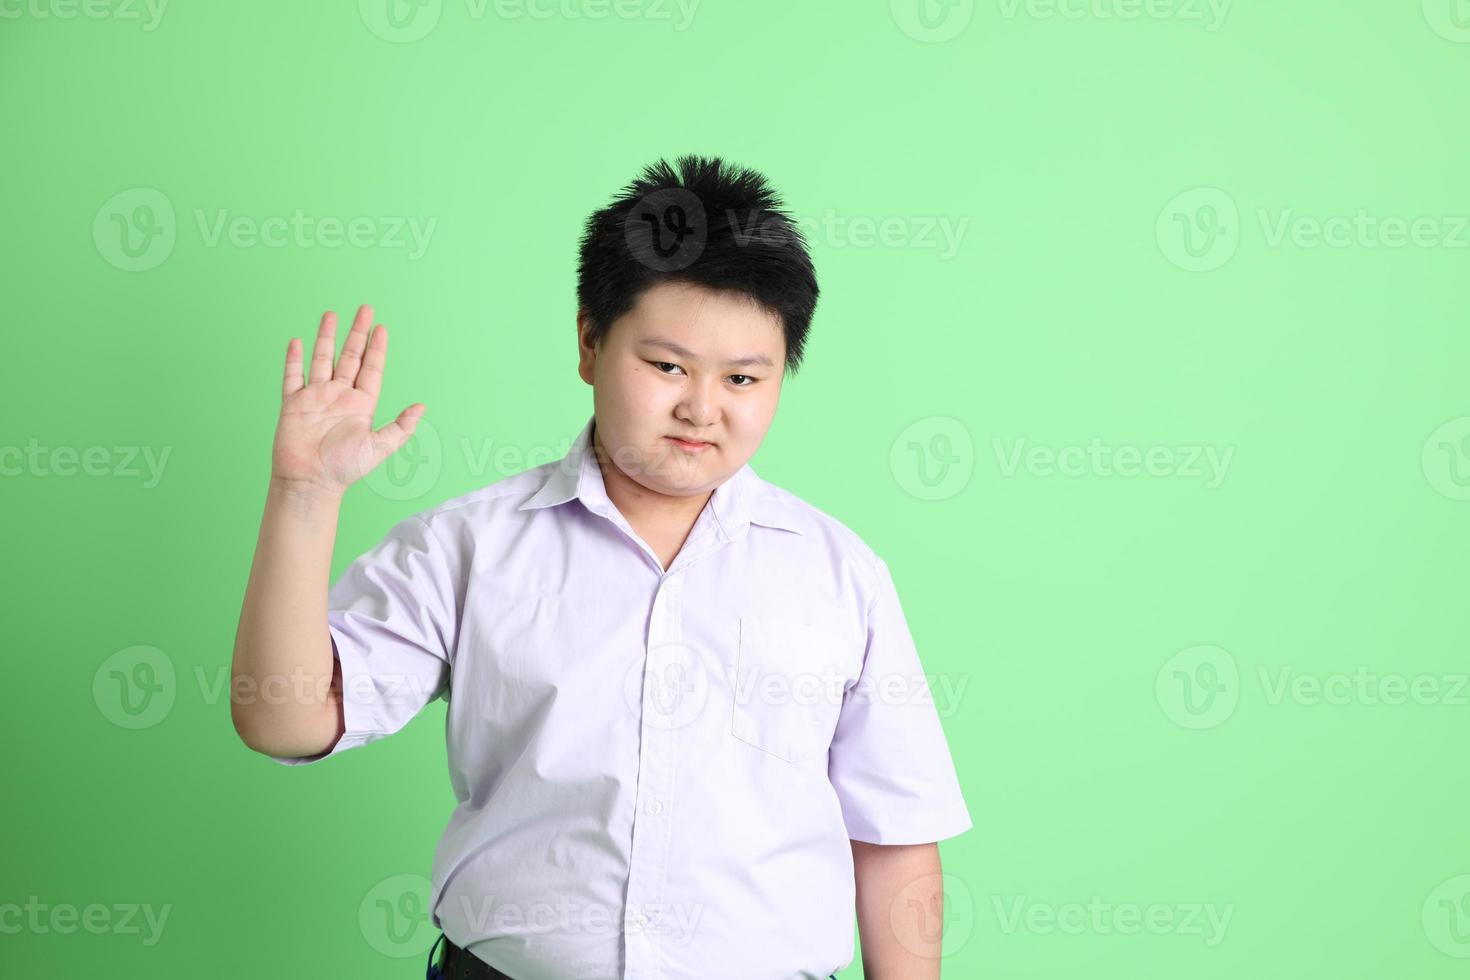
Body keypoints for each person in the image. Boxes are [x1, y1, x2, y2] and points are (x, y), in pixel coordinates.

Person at [231, 154, 971, 980]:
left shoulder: (841, 575)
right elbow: (284, 720)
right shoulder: (469, 546)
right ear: (589, 341)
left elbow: (897, 838)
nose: (701, 406)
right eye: (666, 366)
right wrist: (305, 494)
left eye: (743, 378)